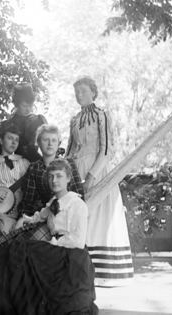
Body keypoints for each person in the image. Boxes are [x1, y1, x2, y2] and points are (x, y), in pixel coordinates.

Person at [0, 159, 98, 315]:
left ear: (69, 178)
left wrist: (52, 243)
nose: (54, 180)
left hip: (71, 255)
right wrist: (26, 219)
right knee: (22, 249)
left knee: (27, 249)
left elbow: (78, 241)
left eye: (59, 176)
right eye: (51, 177)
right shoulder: (53, 201)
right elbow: (41, 216)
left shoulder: (77, 204)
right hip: (56, 250)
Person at [66, 75, 134, 287]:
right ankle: (80, 270)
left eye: (83, 91)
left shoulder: (102, 116)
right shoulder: (75, 120)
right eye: (77, 92)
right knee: (79, 216)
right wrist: (68, 175)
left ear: (93, 93)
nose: (79, 95)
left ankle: (103, 273)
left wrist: (91, 177)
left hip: (98, 170)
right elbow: (70, 150)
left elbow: (106, 149)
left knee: (98, 218)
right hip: (77, 171)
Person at [18, 124, 85, 218]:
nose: (50, 144)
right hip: (41, 216)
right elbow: (28, 200)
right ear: (38, 142)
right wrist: (23, 219)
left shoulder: (68, 164)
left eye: (54, 140)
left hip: (67, 215)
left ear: (59, 143)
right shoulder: (34, 168)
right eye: (46, 140)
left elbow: (78, 193)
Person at [0, 83, 47, 163]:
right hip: (15, 170)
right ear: (17, 104)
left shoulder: (39, 121)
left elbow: (48, 146)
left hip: (38, 169)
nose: (28, 109)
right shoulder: (7, 125)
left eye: (30, 105)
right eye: (25, 106)